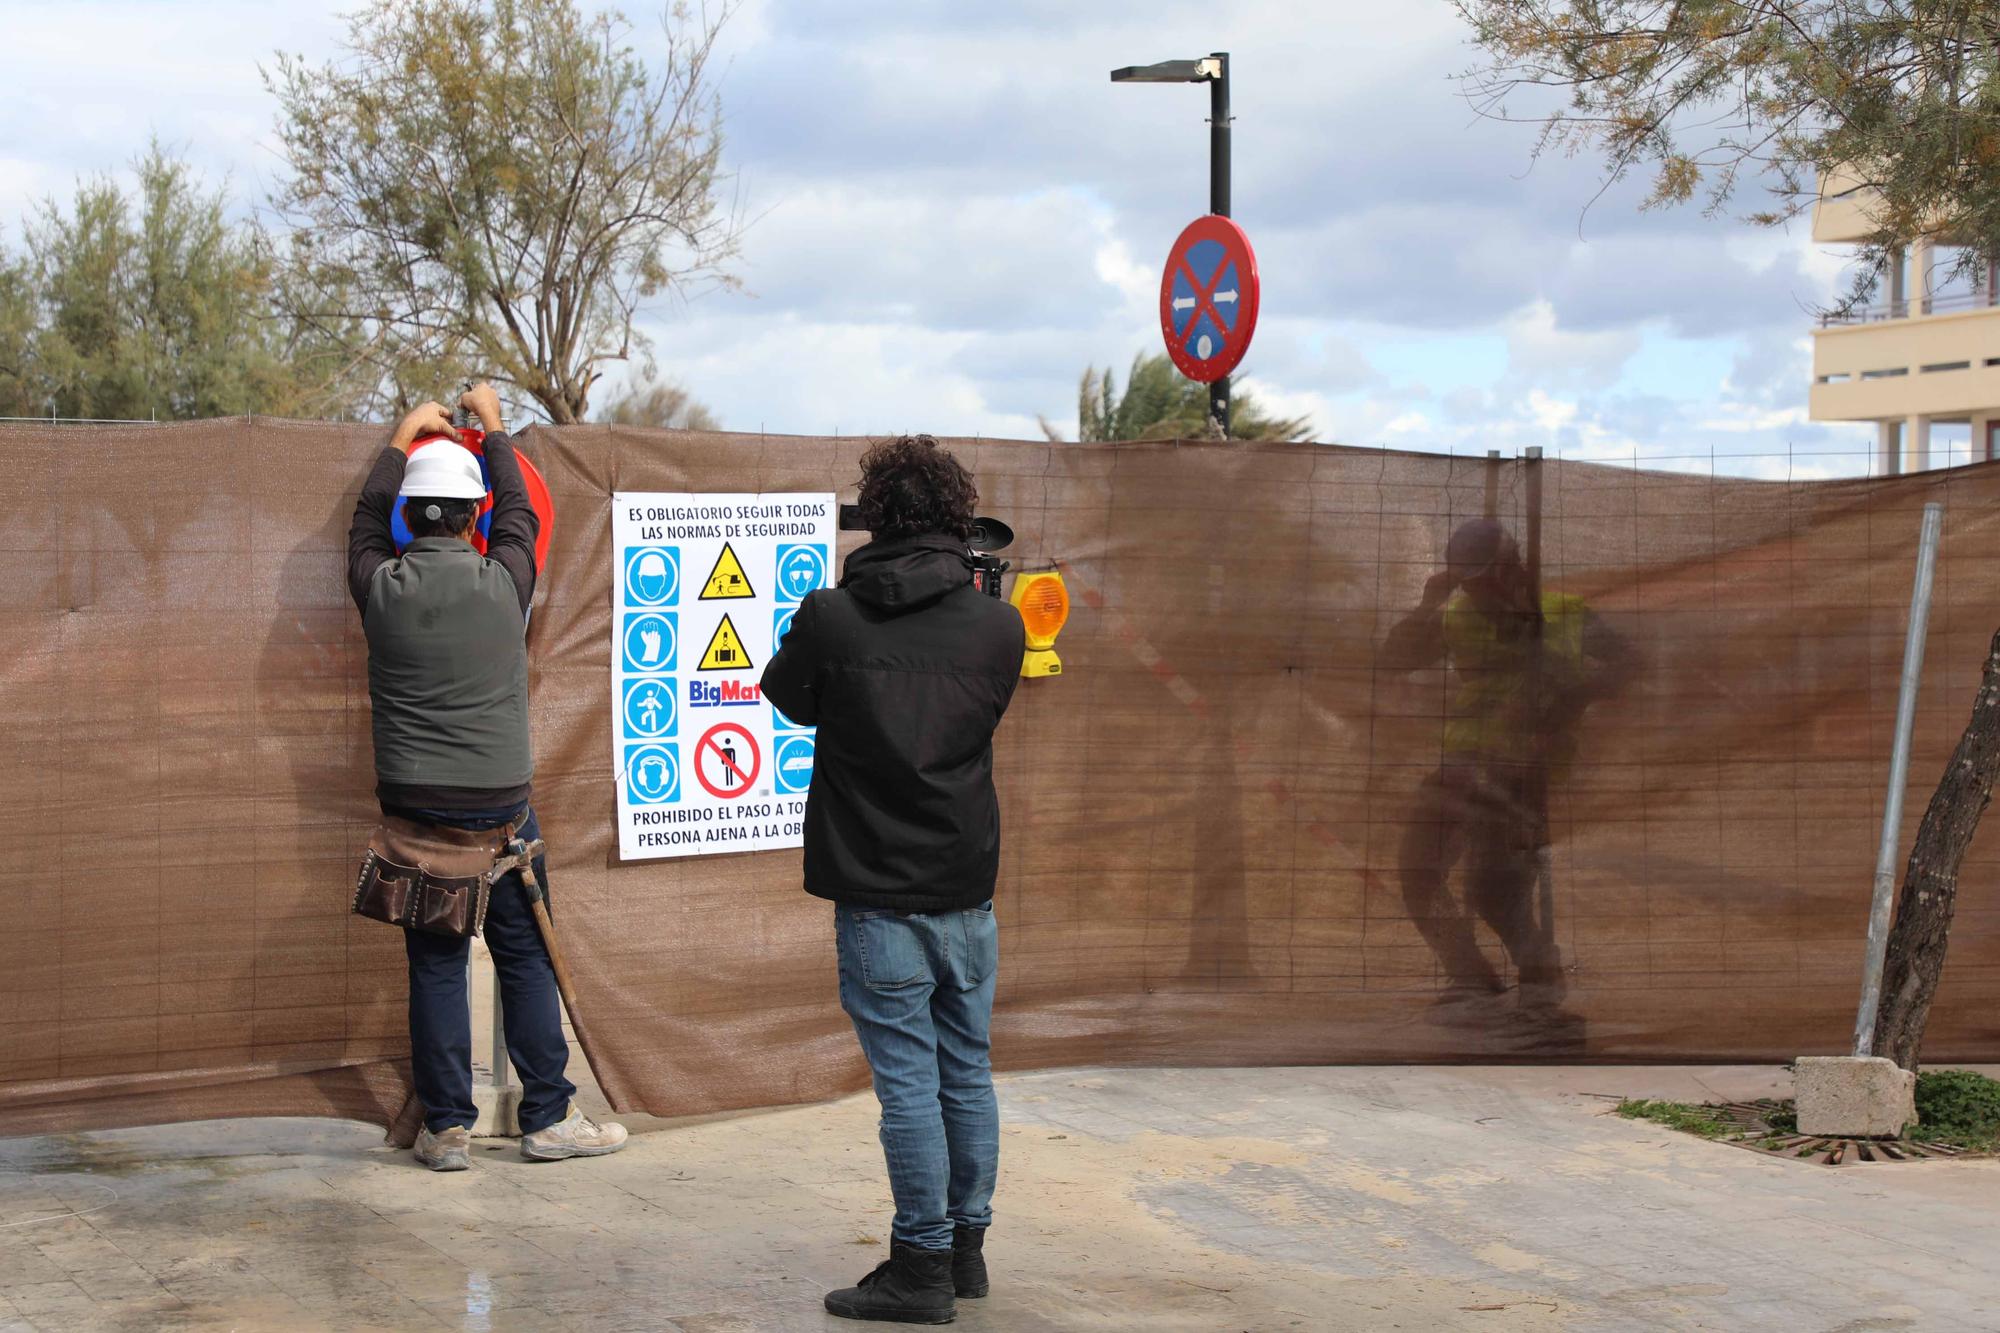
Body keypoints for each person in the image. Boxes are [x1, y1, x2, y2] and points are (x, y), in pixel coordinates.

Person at [761, 435, 1027, 1325]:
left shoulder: (831, 616)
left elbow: (787, 694)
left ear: (874, 514)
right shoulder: (999, 624)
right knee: (967, 1072)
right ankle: (965, 1252)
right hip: (966, 888)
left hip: (876, 894)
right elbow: (983, 707)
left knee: (911, 1084)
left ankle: (919, 1265)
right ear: (960, 518)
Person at [347, 384, 627, 1171]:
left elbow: (364, 522)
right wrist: (494, 425)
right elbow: (522, 513)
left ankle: (446, 1129)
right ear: (472, 519)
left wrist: (406, 434)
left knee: (437, 965)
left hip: (417, 817)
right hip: (501, 812)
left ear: (411, 517)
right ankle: (547, 1115)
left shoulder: (379, 589)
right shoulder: (506, 583)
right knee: (525, 956)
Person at [1383, 518, 1631, 1032]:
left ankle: (1540, 986)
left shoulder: (1563, 613)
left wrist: (1573, 694)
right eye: (1466, 581)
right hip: (1462, 763)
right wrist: (1430, 603)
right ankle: (1471, 977)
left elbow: (1629, 664)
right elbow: (1395, 659)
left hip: (1526, 766)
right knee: (1418, 871)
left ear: (1511, 566)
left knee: (1496, 888)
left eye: (1483, 578)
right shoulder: (1456, 614)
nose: (1477, 590)